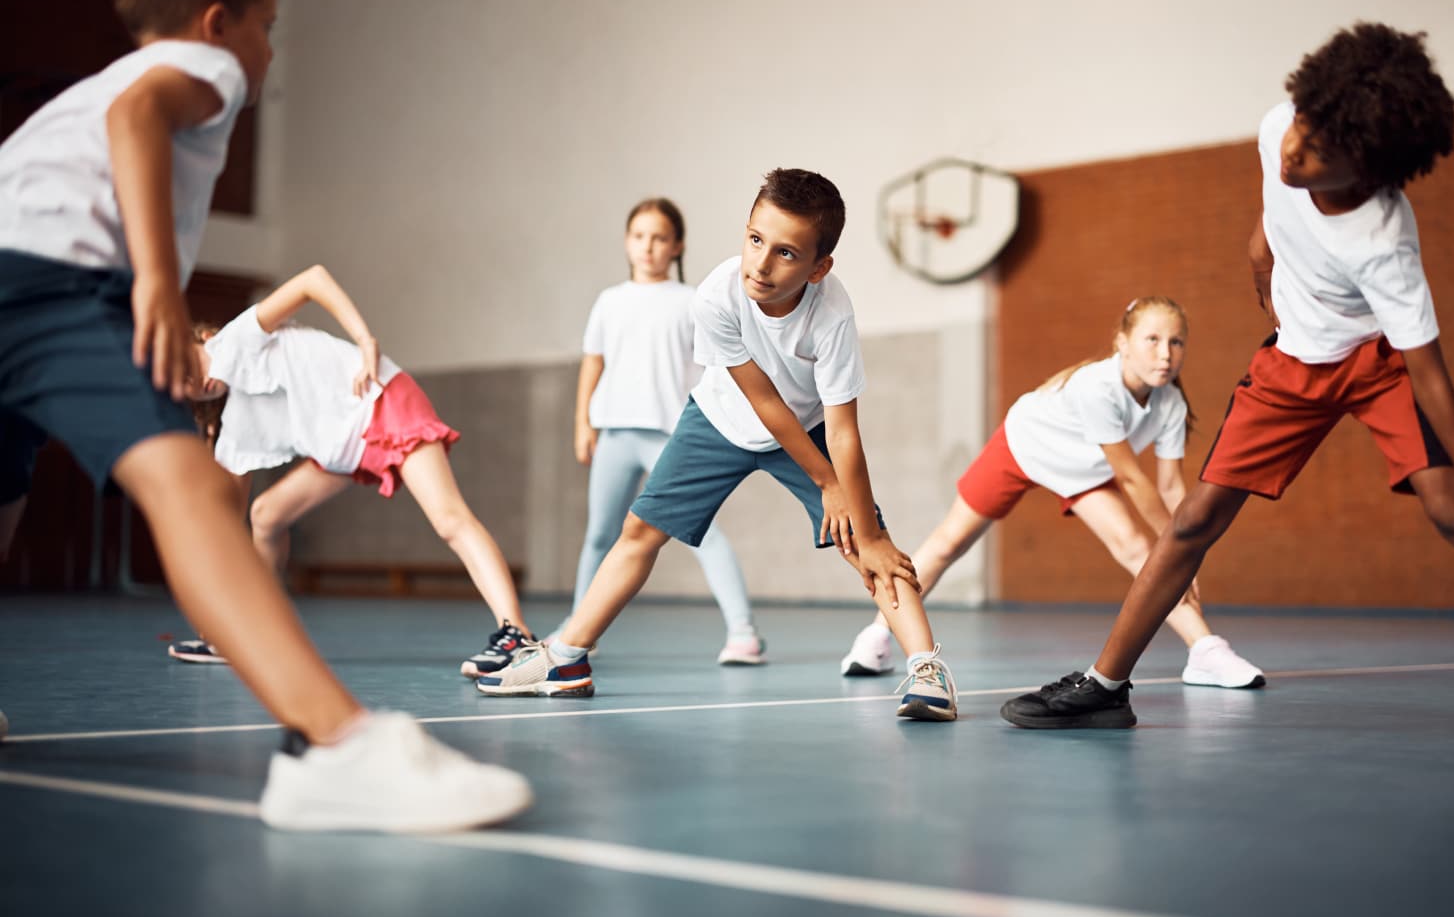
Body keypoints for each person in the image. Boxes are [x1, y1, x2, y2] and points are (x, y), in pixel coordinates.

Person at [0, 0, 530, 829]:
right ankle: (336, 746)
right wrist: (160, 285)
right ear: (217, 21)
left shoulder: (81, 96)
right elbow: (139, 117)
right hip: (51, 284)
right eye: (268, 28)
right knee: (198, 493)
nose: (269, 54)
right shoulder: (200, 69)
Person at [1003, 22, 1454, 730]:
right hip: (1293, 363)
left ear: (1368, 169)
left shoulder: (1384, 242)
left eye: (1320, 149)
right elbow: (1276, 189)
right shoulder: (1282, 129)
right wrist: (1260, 244)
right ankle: (1106, 685)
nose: (1296, 148)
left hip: (1375, 365)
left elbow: (1435, 382)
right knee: (1195, 521)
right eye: (1302, 124)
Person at [478, 169, 960, 720]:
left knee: (865, 544)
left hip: (807, 432)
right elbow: (763, 402)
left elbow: (843, 428)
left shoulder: (833, 314)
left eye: (785, 252)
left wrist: (865, 528)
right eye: (755, 240)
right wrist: (827, 482)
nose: (761, 263)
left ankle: (928, 669)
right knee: (639, 531)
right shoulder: (715, 296)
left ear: (819, 267)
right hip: (720, 417)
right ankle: (566, 659)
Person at [839, 297, 1264, 689]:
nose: (1165, 353)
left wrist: (1182, 554)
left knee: (1138, 547)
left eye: (1176, 342)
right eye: (1151, 340)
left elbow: (1171, 487)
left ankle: (1205, 651)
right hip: (1023, 444)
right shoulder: (1098, 387)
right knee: (949, 542)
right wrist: (1178, 556)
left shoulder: (1170, 403)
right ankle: (877, 635)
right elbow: (1134, 481)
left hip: (1084, 470)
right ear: (1123, 344)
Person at [172, 263, 535, 678]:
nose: (192, 380)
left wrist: (365, 341)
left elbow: (313, 279)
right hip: (343, 446)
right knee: (265, 515)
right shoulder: (234, 428)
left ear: (205, 338)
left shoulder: (237, 340)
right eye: (180, 384)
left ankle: (518, 637)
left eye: (189, 363)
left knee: (449, 519)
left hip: (380, 402)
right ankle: (256, 635)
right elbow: (225, 524)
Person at [561, 197, 762, 664]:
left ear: (677, 246)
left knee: (704, 533)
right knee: (600, 534)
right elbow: (594, 363)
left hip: (670, 435)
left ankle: (743, 632)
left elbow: (718, 367)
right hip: (615, 433)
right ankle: (576, 629)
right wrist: (582, 423)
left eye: (658, 238)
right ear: (627, 243)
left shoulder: (693, 301)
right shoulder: (609, 301)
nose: (647, 247)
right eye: (638, 237)